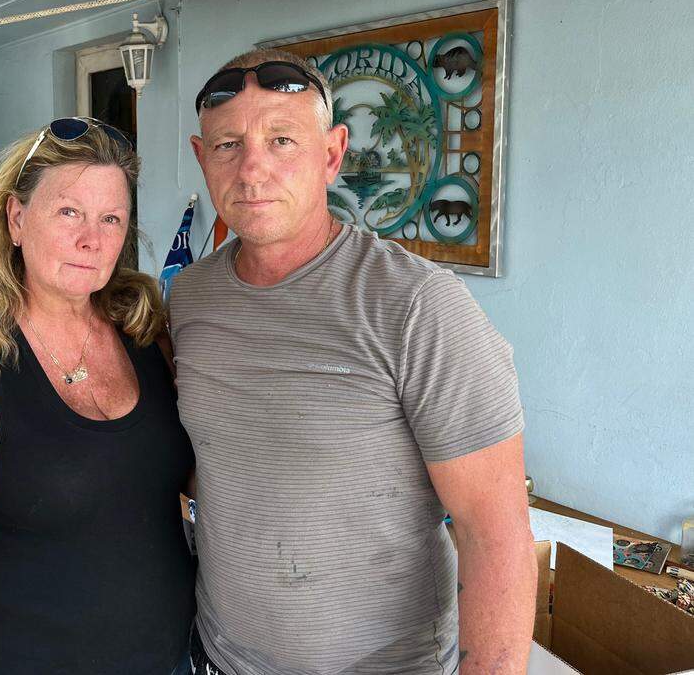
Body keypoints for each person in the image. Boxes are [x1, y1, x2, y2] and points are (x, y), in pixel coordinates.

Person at [169, 48, 536, 674]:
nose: (253, 170)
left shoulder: (416, 304)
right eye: (228, 145)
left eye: (282, 140)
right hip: (222, 659)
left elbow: (494, 535)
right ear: (203, 159)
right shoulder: (190, 297)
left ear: (333, 154)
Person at [0, 117, 196, 675]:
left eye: (111, 218)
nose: (92, 238)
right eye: (69, 212)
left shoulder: (145, 333)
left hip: (171, 658)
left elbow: (193, 480)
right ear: (17, 219)